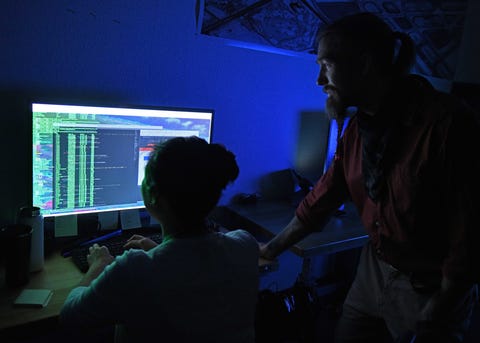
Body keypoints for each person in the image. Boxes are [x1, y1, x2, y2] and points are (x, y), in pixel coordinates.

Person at [259, 12, 480, 343]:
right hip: (373, 272)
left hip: (431, 289)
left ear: (363, 63)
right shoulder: (359, 127)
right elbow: (325, 196)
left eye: (326, 65)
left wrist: (443, 303)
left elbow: (471, 230)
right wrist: (270, 249)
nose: (319, 80)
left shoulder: (447, 125)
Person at [61, 136, 259, 342]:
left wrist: (98, 265)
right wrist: (161, 250)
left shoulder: (134, 269)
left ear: (153, 195)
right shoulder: (245, 245)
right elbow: (193, 273)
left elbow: (70, 317)